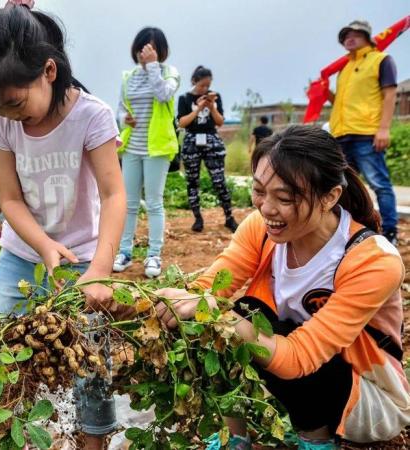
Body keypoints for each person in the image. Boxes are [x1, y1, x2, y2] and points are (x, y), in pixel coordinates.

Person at [157, 125, 409, 449]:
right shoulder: (262, 229)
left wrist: (220, 317)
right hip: (299, 381)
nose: (266, 208)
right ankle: (234, 438)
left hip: (366, 399)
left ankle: (315, 442)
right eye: (260, 190)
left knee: (237, 323)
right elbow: (208, 287)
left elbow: (300, 358)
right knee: (237, 314)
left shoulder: (372, 260)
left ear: (330, 196)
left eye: (285, 198)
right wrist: (144, 299)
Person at [0, 5, 126, 449]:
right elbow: (9, 198)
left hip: (86, 256)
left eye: (15, 102)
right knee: (3, 353)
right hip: (22, 255)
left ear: (49, 71)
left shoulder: (92, 116)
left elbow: (113, 195)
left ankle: (93, 443)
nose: (9, 115)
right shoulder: (0, 123)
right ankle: (19, 437)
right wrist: (44, 247)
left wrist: (100, 269)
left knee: (90, 364)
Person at [112, 27, 180, 278]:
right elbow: (120, 107)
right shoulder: (128, 76)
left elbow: (164, 94)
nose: (145, 52)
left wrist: (153, 66)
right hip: (132, 147)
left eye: (151, 48)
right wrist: (123, 118)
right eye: (142, 47)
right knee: (129, 203)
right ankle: (125, 252)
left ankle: (154, 255)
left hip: (157, 149)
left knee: (153, 202)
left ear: (160, 50)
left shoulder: (169, 73)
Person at [328, 20, 399, 246]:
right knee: (344, 185)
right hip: (342, 134)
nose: (349, 38)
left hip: (366, 133)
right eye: (345, 35)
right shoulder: (344, 69)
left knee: (379, 183)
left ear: (367, 36)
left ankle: (389, 232)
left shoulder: (381, 60)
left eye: (355, 34)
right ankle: (353, 229)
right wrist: (324, 94)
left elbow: (389, 95)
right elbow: (340, 102)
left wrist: (384, 128)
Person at [177, 66, 238, 233]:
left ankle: (229, 217)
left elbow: (220, 122)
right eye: (202, 85)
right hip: (191, 141)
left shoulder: (215, 97)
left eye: (208, 85)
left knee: (219, 181)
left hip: (212, 140)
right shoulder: (184, 98)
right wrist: (197, 108)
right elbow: (182, 123)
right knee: (192, 181)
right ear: (194, 82)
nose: (205, 89)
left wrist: (212, 107)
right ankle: (197, 218)